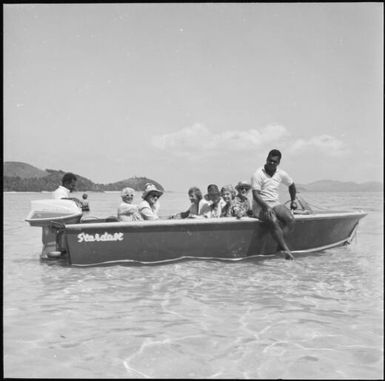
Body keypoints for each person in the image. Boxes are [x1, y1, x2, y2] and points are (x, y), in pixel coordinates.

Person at [251, 149, 297, 260]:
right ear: (266, 159)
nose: (272, 163)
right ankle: (286, 250)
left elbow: (292, 185)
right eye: (270, 160)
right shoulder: (258, 174)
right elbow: (255, 194)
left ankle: (280, 247)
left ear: (278, 163)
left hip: (275, 203)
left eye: (274, 162)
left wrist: (293, 200)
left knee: (291, 219)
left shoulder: (281, 173)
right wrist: (266, 207)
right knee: (273, 221)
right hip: (260, 205)